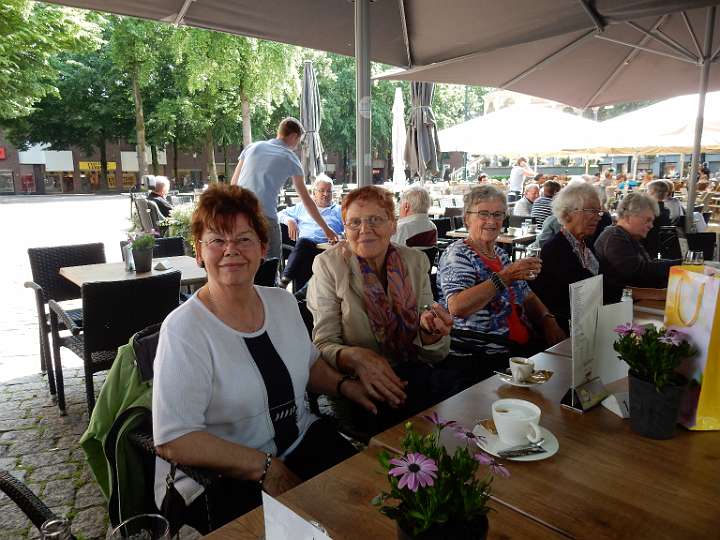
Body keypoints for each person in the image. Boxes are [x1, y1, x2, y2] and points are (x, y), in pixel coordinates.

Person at [152, 184, 371, 533]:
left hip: (298, 440)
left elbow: (310, 365)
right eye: (217, 240)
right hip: (221, 476)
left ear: (263, 248)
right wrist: (265, 466)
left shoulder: (282, 303)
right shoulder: (184, 329)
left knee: (367, 502)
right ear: (199, 252)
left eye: (244, 239)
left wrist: (346, 386)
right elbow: (174, 438)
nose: (231, 250)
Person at [307, 186, 458, 435]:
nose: (364, 229)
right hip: (358, 387)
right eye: (354, 222)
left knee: (452, 426)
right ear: (345, 228)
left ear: (393, 225)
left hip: (411, 374)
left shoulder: (415, 261)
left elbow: (432, 346)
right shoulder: (329, 265)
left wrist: (430, 332)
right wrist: (357, 358)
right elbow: (323, 344)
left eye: (375, 220)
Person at [437, 185, 566, 372]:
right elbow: (457, 307)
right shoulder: (458, 255)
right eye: (483, 214)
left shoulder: (500, 254)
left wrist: (548, 320)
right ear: (467, 219)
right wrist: (505, 276)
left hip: (521, 346)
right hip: (484, 353)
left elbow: (528, 296)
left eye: (498, 214)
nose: (491, 221)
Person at [230, 117, 338, 259]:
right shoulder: (291, 158)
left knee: (243, 259)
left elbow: (233, 184)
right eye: (298, 141)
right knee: (271, 261)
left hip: (238, 215)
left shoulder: (252, 147)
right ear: (293, 136)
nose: (297, 146)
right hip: (265, 217)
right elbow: (306, 200)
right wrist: (326, 229)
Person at [530, 183, 603, 333]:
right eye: (591, 211)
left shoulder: (587, 244)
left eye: (599, 211)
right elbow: (583, 290)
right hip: (565, 328)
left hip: (589, 320)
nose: (597, 217)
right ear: (568, 213)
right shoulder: (555, 249)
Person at [594, 192, 677, 303]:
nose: (651, 225)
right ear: (628, 217)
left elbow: (647, 264)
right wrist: (679, 266)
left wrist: (678, 265)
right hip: (619, 307)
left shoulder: (626, 236)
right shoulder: (614, 237)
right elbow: (638, 271)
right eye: (648, 220)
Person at [277, 174, 344, 290]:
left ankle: (285, 282)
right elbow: (279, 214)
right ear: (314, 192)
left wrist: (340, 236)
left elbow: (348, 229)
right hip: (305, 248)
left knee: (303, 253)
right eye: (322, 190)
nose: (325, 194)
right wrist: (289, 220)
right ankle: (296, 292)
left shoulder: (339, 210)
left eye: (329, 191)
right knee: (304, 246)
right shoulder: (303, 207)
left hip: (327, 250)